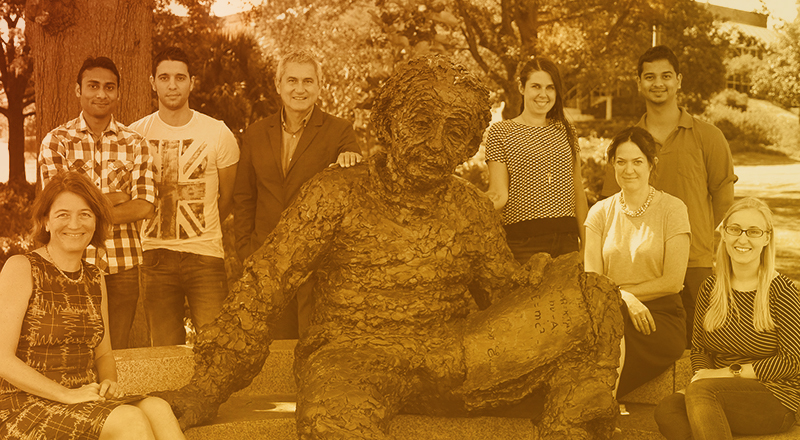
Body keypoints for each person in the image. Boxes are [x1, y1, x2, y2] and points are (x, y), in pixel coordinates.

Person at [160, 55, 624, 440]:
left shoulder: (469, 207)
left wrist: (550, 279)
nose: (436, 145)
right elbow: (262, 291)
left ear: (468, 143)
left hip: (452, 357)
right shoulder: (335, 194)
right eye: (421, 123)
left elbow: (507, 289)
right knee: (334, 422)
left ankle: (570, 425)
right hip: (353, 357)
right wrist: (205, 388)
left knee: (594, 293)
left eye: (456, 131)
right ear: (386, 121)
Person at [0, 171, 184, 440]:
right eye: (63, 214)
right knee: (129, 420)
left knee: (158, 408)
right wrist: (66, 394)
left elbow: (104, 355)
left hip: (82, 398)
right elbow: (2, 359)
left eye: (85, 214)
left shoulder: (95, 277)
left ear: (96, 222)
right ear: (46, 222)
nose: (74, 224)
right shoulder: (22, 267)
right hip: (23, 406)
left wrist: (109, 382)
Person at [600, 45, 736, 345]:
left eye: (666, 76)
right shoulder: (626, 143)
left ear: (679, 80)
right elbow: (612, 206)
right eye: (649, 77)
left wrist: (684, 236)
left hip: (694, 264)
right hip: (637, 271)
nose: (657, 83)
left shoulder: (708, 137)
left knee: (699, 350)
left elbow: (725, 201)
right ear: (639, 83)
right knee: (641, 353)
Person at [234, 49, 361, 339]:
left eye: (307, 81)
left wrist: (351, 158)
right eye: (292, 80)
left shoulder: (340, 131)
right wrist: (246, 250)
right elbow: (244, 197)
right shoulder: (254, 133)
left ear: (319, 86)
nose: (299, 89)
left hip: (317, 269)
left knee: (314, 350)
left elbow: (354, 180)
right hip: (267, 264)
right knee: (270, 354)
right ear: (278, 85)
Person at [654, 197, 800, 439]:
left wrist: (724, 374)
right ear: (724, 233)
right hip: (715, 391)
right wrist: (703, 376)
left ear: (766, 238)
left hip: (776, 397)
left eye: (753, 231)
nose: (742, 239)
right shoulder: (710, 287)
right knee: (667, 410)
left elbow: (792, 361)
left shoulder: (781, 290)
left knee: (702, 394)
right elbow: (700, 349)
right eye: (734, 229)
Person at [39, 56, 157, 350]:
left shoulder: (136, 143)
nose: (101, 94)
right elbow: (59, 209)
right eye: (93, 86)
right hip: (68, 262)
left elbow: (145, 206)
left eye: (109, 87)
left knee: (115, 350)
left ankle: (110, 398)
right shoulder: (56, 142)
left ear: (118, 93)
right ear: (78, 90)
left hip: (123, 264)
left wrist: (85, 206)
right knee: (70, 346)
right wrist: (118, 198)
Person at [129, 47, 239, 346]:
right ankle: (171, 396)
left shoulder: (217, 133)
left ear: (192, 82)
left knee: (217, 345)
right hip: (155, 257)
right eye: (164, 77)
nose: (172, 85)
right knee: (164, 348)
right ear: (153, 82)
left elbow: (228, 197)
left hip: (205, 256)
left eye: (180, 77)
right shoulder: (135, 135)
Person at [585, 126, 691, 398]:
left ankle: (601, 410)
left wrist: (625, 295)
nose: (628, 169)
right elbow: (592, 280)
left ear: (651, 164)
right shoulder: (599, 213)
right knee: (604, 331)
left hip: (660, 316)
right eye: (621, 161)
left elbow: (673, 281)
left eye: (637, 161)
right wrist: (624, 300)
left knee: (607, 338)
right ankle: (600, 411)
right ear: (612, 164)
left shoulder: (673, 209)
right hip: (611, 309)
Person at [485, 57, 588, 264]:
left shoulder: (566, 131)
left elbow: (577, 190)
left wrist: (586, 245)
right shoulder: (501, 132)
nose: (543, 94)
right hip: (523, 244)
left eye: (550, 88)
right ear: (522, 87)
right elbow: (499, 193)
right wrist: (463, 203)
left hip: (567, 243)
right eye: (536, 86)